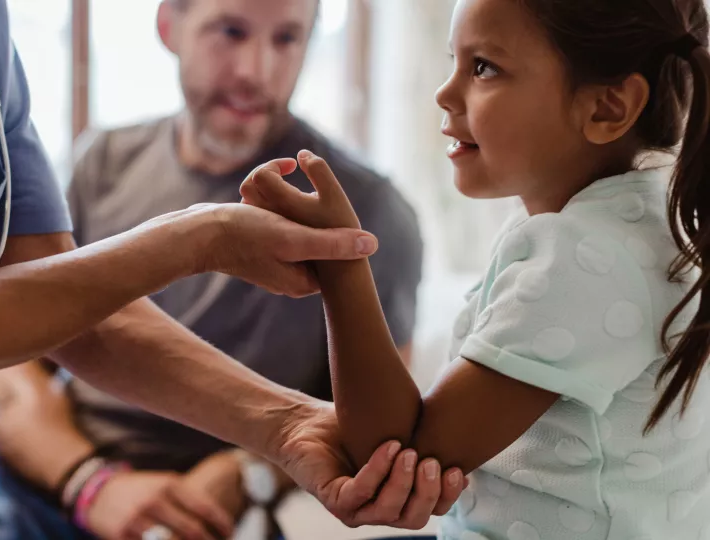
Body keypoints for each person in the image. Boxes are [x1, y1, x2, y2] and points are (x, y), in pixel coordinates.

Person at [0, 0, 466, 538]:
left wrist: (277, 438)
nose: (255, 69)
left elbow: (67, 304)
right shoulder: (107, 158)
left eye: (288, 38)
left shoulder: (366, 212)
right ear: (169, 27)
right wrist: (198, 238)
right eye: (230, 31)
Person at [239, 0, 710, 537]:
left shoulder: (585, 256)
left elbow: (396, 455)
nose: (444, 92)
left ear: (607, 108)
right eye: (453, 61)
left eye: (484, 66)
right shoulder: (649, 217)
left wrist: (340, 257)